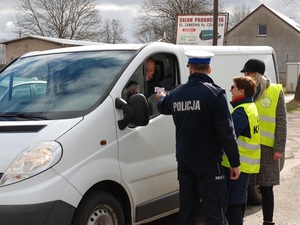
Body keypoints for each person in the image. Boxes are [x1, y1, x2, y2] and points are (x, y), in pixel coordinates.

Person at [155, 50, 241, 225]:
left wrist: (161, 97)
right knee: (214, 211)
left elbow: (163, 106)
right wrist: (235, 162)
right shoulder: (215, 95)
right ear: (209, 70)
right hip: (209, 163)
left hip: (185, 162)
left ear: (190, 69)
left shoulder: (177, 93)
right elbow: (226, 133)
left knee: (187, 210)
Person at [241, 59, 287, 225]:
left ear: (257, 74)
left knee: (266, 188)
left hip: (268, 149)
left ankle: (268, 222)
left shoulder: (275, 91)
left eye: (248, 72)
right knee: (243, 187)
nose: (246, 75)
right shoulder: (245, 90)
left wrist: (279, 148)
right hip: (247, 147)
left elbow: (281, 120)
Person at [222, 76, 261, 225]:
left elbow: (228, 138)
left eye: (233, 87)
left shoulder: (241, 111)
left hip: (236, 166)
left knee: (233, 204)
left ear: (242, 91)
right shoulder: (250, 107)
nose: (231, 90)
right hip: (245, 164)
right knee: (239, 201)